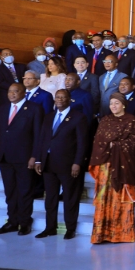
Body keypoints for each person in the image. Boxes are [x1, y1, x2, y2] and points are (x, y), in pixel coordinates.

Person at [0, 83, 43, 235]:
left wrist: (35, 157)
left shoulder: (34, 109)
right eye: (10, 91)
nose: (11, 94)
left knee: (25, 191)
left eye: (16, 91)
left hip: (24, 158)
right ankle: (12, 221)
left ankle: (25, 222)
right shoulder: (3, 108)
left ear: (24, 93)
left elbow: (39, 135)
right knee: (10, 191)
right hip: (5, 156)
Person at [31, 89, 88, 239]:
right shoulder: (49, 116)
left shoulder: (78, 117)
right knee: (50, 197)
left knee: (70, 197)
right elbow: (42, 139)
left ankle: (70, 228)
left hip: (69, 165)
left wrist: (77, 163)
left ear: (70, 100)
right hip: (49, 164)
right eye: (57, 97)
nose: (60, 99)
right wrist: (38, 159)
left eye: (63, 97)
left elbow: (82, 143)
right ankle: (50, 227)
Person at [88, 93, 135, 243]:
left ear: (123, 104)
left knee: (121, 198)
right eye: (111, 103)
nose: (113, 106)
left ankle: (122, 234)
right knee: (104, 198)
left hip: (123, 165)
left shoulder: (131, 120)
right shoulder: (105, 120)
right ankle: (101, 235)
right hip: (105, 165)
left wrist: (116, 145)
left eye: (117, 103)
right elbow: (98, 142)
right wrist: (109, 146)